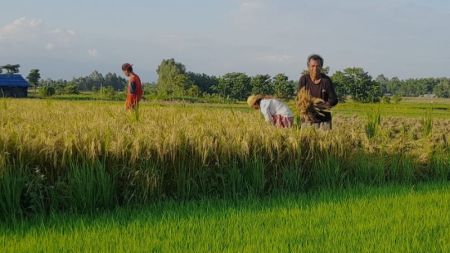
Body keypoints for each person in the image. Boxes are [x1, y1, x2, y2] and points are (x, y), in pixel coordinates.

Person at [298, 54, 338, 130]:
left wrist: (321, 106)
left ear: (321, 67)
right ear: (308, 67)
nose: (315, 68)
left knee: (325, 141)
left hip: (324, 121)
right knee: (307, 141)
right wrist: (306, 106)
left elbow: (334, 99)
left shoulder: (326, 81)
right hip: (307, 121)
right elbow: (299, 97)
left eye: (318, 66)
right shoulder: (304, 79)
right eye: (312, 66)